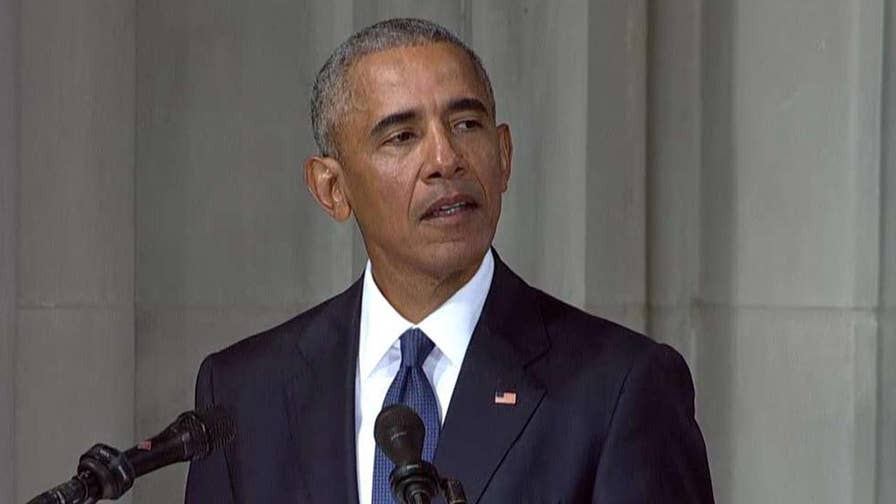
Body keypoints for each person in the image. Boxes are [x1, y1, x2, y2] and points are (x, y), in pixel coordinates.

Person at [185, 17, 714, 503]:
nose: (445, 159)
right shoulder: (245, 394)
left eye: (466, 125)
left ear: (504, 157)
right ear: (332, 188)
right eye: (402, 136)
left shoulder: (620, 386)